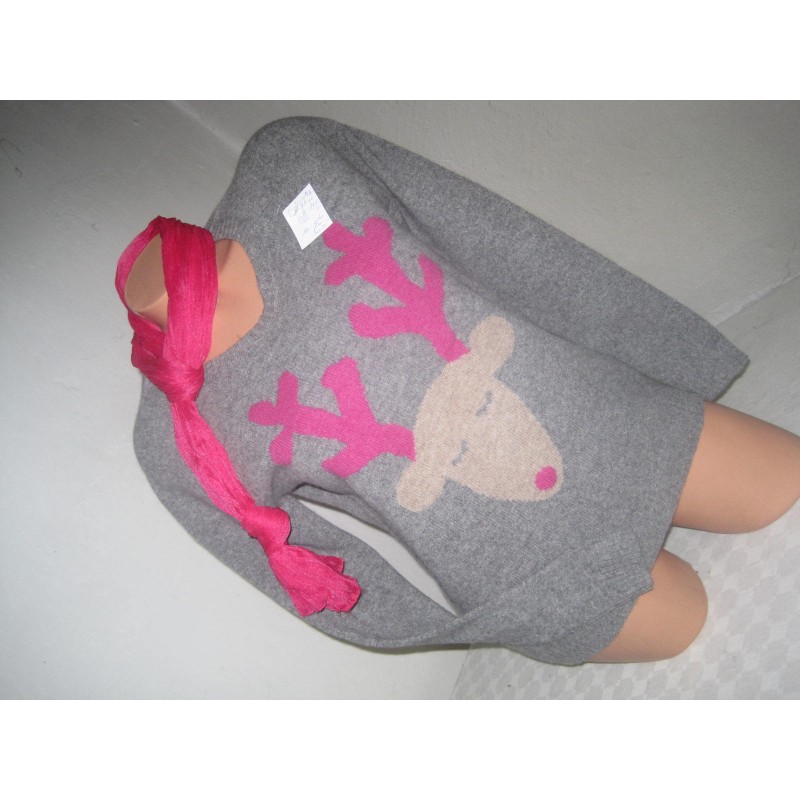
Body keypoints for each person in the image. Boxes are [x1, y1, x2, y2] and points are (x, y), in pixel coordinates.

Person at [117, 117, 800, 666]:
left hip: (621, 424)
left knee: (784, 480)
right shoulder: (176, 442)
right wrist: (443, 626)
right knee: (692, 623)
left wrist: (660, 350)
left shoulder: (289, 166)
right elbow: (309, 571)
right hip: (529, 570)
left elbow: (501, 241)